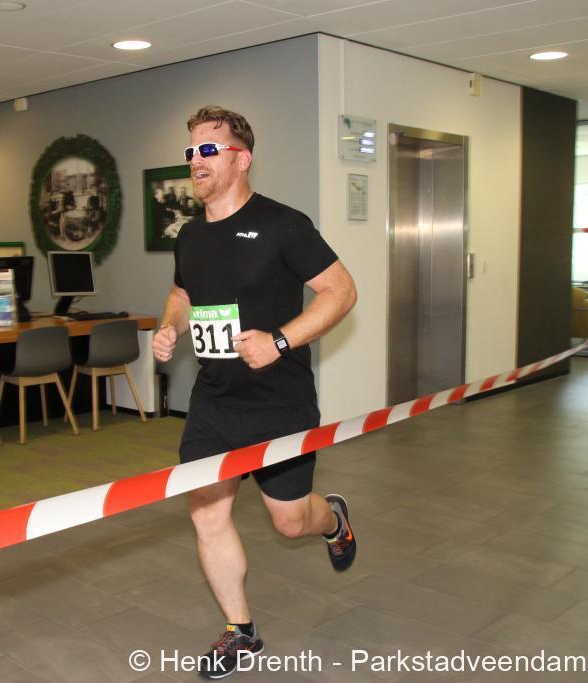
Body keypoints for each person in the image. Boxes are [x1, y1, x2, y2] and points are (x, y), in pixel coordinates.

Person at [152, 106, 357, 679]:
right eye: (191, 151)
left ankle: (333, 520)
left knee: (290, 522)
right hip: (213, 404)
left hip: (279, 404)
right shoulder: (190, 235)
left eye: (208, 150)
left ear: (241, 159)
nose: (195, 161)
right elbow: (181, 294)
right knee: (207, 515)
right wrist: (169, 326)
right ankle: (240, 631)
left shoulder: (283, 224)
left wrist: (280, 342)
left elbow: (341, 292)